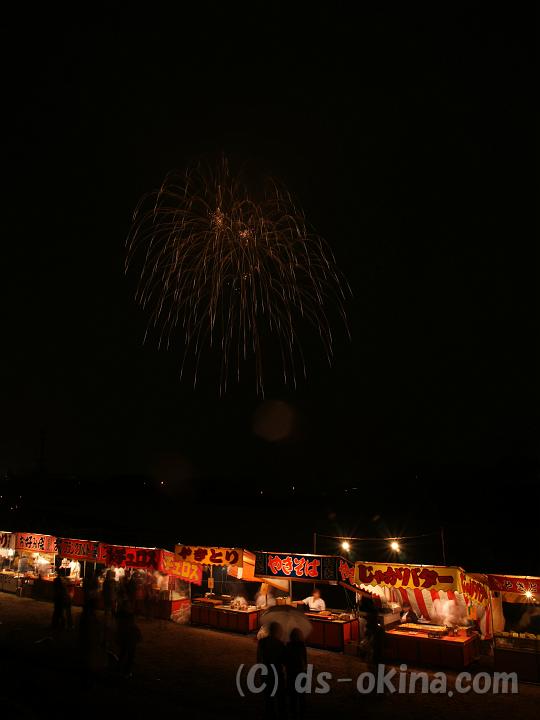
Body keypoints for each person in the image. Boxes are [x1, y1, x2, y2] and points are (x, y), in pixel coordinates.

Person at [257, 621, 286, 718]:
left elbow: (259, 658)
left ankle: (270, 714)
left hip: (265, 673)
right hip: (276, 673)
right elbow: (284, 660)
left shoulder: (262, 642)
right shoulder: (279, 644)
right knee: (280, 698)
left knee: (268, 698)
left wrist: (260, 671)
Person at [285, 629, 307, 718]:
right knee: (301, 695)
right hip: (300, 672)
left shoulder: (289, 646)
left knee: (292, 694)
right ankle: (301, 712)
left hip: (291, 672)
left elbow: (285, 659)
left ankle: (293, 711)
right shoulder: (301, 646)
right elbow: (304, 659)